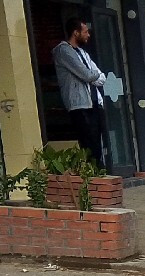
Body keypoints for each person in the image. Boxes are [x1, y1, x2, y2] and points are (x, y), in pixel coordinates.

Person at [52, 18, 108, 170]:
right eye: (85, 32)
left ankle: (100, 171)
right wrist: (94, 75)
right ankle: (93, 174)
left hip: (94, 101)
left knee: (99, 141)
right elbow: (87, 75)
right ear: (75, 33)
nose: (88, 35)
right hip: (80, 104)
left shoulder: (83, 52)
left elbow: (100, 77)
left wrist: (94, 75)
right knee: (88, 142)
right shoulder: (64, 50)